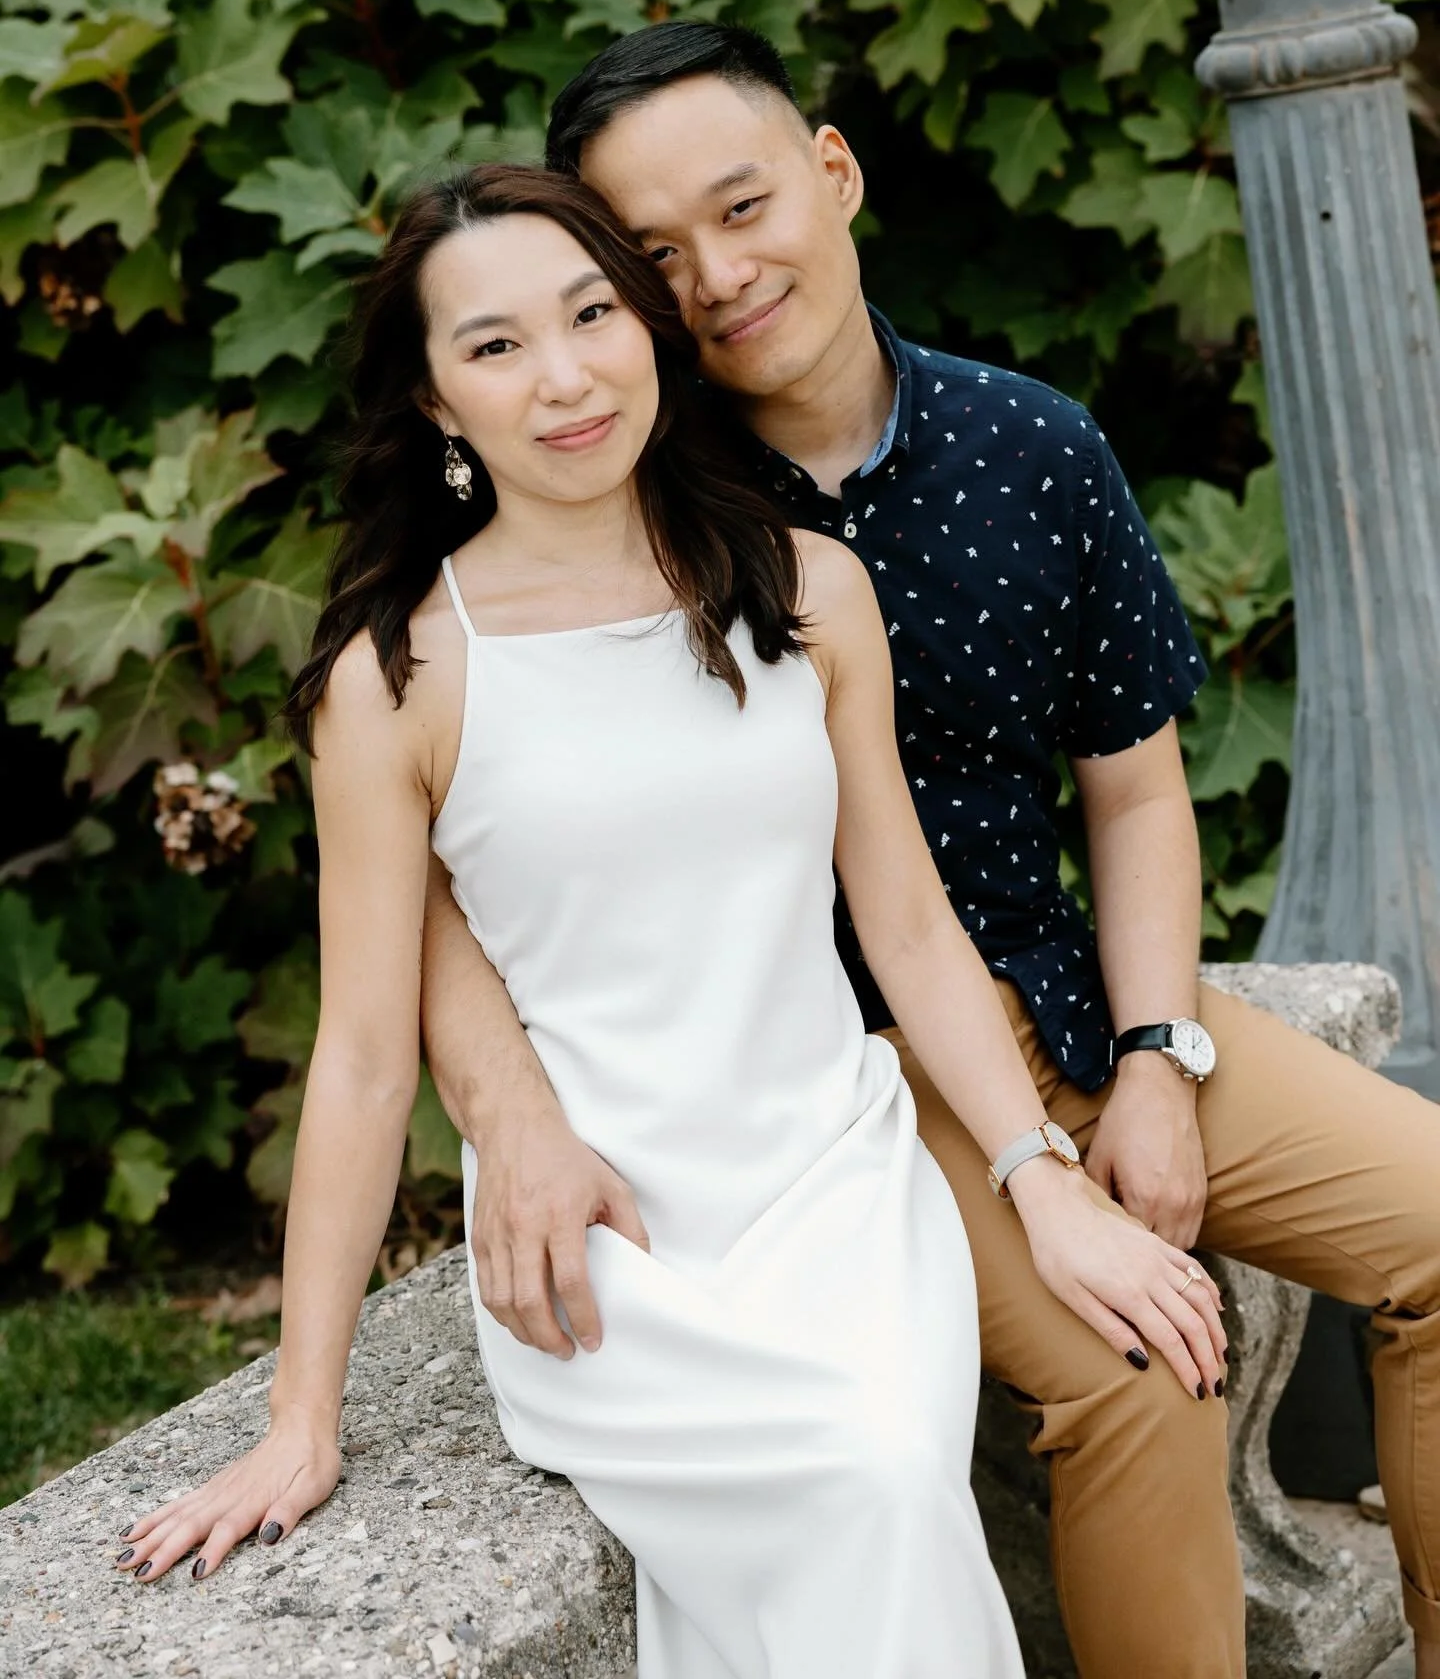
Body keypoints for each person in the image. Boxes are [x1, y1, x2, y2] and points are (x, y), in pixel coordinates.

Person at [416, 25, 1440, 1679]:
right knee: (1143, 1371)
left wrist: (1164, 1054)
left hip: (1068, 996)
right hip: (843, 1088)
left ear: (834, 171)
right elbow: (436, 840)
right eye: (655, 259)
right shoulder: (618, 503)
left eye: (746, 208)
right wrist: (510, 1108)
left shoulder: (1030, 446)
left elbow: (1135, 788)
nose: (720, 278)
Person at [109, 165, 1224, 1677]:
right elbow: (367, 1061)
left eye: (591, 317)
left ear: (649, 330)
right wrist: (303, 1418)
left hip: (840, 1187)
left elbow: (903, 922)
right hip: (610, 1252)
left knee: (894, 1470)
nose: (564, 377)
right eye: (495, 347)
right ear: (437, 404)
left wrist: (1043, 1180)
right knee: (865, 1485)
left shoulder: (810, 592)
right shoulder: (399, 683)